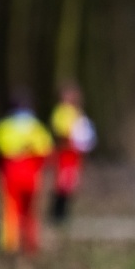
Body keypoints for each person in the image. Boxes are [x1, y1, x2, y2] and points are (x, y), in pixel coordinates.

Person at [0, 96, 53, 255]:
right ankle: (31, 244)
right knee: (30, 211)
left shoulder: (2, 127)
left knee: (11, 210)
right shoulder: (36, 127)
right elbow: (46, 153)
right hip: (31, 176)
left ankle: (10, 245)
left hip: (10, 175)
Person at [49, 83, 96, 223]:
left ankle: (63, 214)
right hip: (66, 153)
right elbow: (60, 132)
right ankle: (57, 214)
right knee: (63, 183)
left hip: (75, 153)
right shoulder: (61, 112)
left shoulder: (77, 112)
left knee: (71, 184)